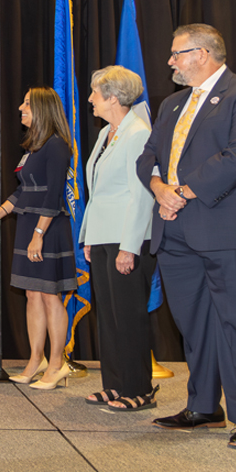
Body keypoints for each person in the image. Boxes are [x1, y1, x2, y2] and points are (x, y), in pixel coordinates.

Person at [137, 24, 236, 449]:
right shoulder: (173, 104)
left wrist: (181, 190)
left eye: (177, 53)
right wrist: (160, 187)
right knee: (194, 324)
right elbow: (149, 156)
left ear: (203, 53)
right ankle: (203, 406)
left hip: (231, 228)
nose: (170, 62)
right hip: (176, 229)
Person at [0, 87, 77, 390]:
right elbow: (23, 192)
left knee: (49, 295)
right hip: (29, 225)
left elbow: (53, 194)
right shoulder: (35, 146)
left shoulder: (57, 146)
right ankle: (36, 360)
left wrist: (39, 235)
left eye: (27, 103)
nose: (20, 107)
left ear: (43, 109)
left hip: (49, 228)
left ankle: (57, 364)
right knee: (32, 294)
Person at [79, 66, 157, 411]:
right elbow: (97, 193)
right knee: (108, 315)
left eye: (96, 93)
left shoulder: (138, 133)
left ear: (113, 97)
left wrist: (129, 246)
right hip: (104, 235)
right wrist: (90, 236)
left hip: (129, 239)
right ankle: (114, 384)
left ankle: (139, 388)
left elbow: (141, 195)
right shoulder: (106, 133)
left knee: (128, 315)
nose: (91, 99)